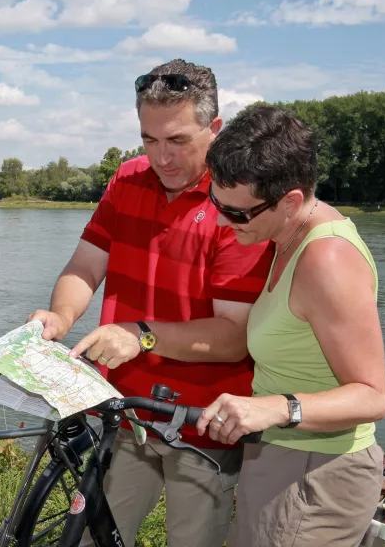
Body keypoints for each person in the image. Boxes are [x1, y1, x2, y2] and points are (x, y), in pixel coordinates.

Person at [27, 59, 275, 547]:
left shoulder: (236, 203)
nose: (161, 157)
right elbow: (85, 266)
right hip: (124, 412)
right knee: (94, 539)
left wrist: (140, 335)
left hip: (203, 424)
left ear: (215, 129)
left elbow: (232, 337)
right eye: (149, 139)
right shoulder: (127, 180)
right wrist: (61, 315)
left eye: (178, 140)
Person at [194, 104, 385, 546]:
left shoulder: (328, 259)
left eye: (239, 213)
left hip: (315, 475)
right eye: (215, 202)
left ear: (291, 201)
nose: (225, 221)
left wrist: (276, 407)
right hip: (282, 458)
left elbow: (373, 396)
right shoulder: (284, 236)